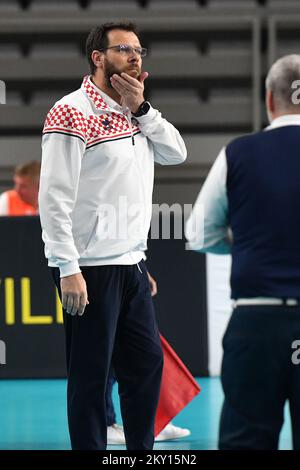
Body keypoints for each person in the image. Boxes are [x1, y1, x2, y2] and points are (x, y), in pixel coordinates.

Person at [38, 22, 187, 450]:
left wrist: (142, 109)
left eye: (139, 49)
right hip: (88, 267)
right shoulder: (71, 111)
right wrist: (68, 268)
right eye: (123, 49)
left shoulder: (136, 111)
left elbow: (177, 152)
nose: (135, 56)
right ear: (98, 57)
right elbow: (54, 199)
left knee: (145, 366)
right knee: (91, 377)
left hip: (130, 264)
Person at [186, 54, 300, 450]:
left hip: (256, 321)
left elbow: (198, 234)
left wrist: (245, 244)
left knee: (245, 441)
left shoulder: (238, 152)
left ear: (269, 99)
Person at [105, 272, 191, 445]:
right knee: (108, 349)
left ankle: (155, 421)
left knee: (147, 355)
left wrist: (142, 269)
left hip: (131, 265)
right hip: (102, 270)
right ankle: (104, 423)